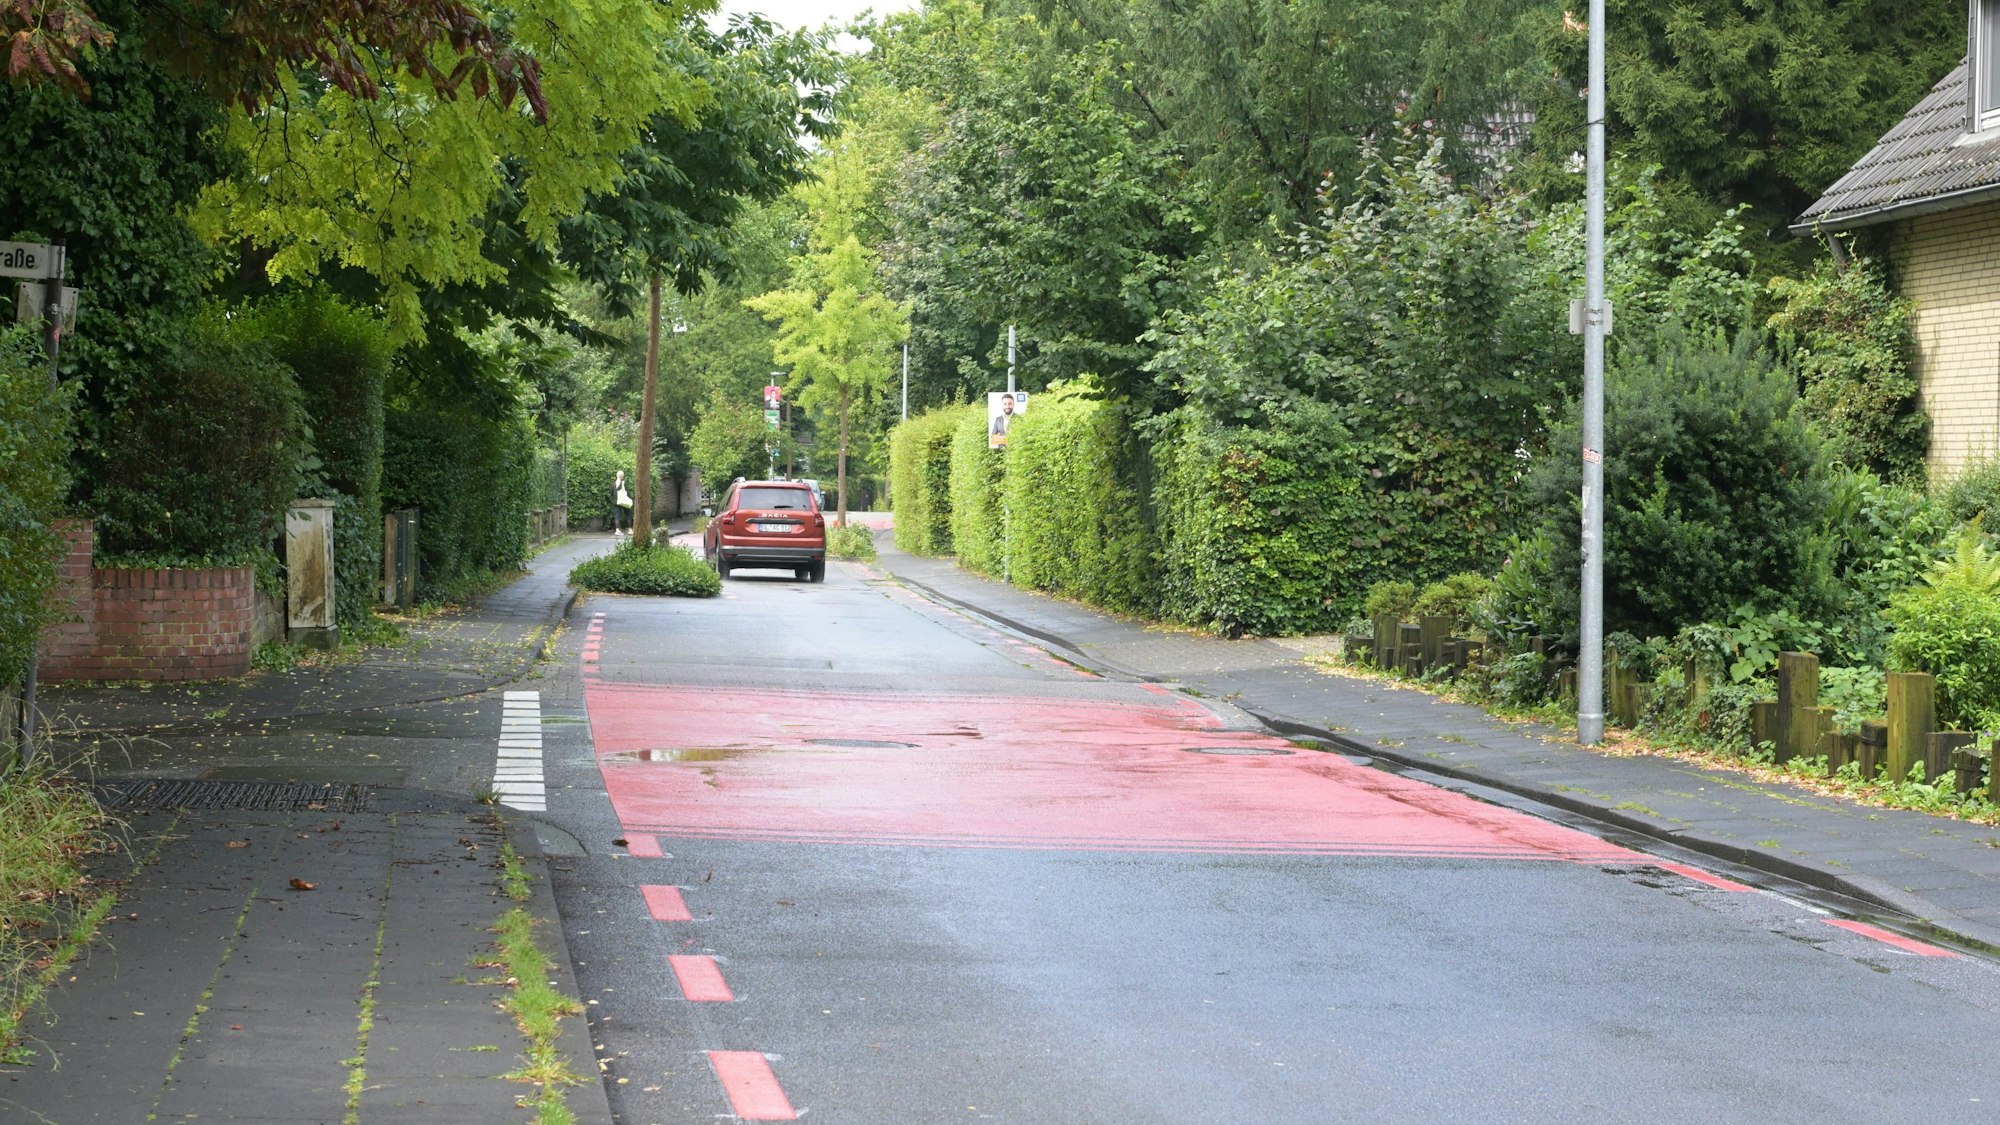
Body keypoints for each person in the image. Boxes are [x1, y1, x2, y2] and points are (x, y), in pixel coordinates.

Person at [612, 469, 633, 537]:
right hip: (624, 502)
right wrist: (630, 499)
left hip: (617, 503)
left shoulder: (614, 484)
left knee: (617, 517)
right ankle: (630, 529)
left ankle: (617, 530)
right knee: (628, 515)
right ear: (622, 476)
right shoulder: (624, 483)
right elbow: (628, 493)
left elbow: (611, 493)